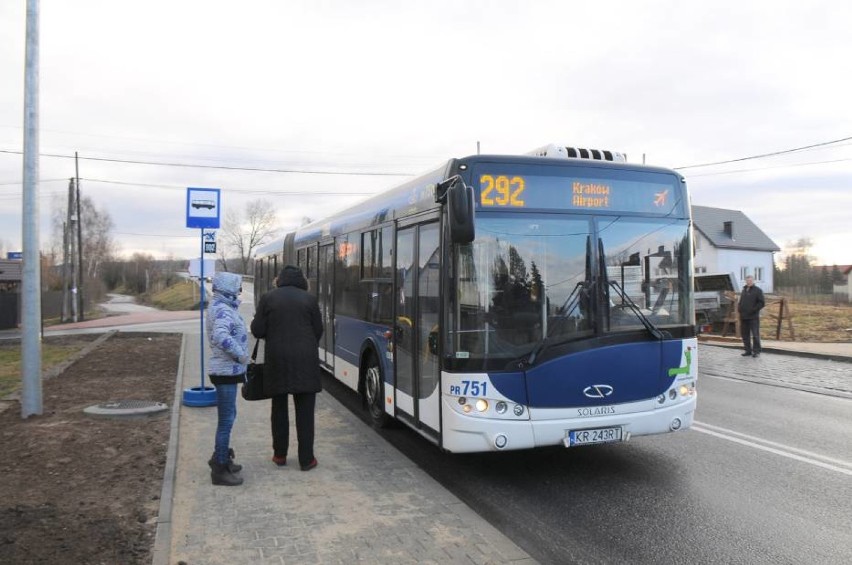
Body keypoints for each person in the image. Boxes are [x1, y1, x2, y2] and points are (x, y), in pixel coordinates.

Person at [251, 265, 323, 471]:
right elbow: (318, 330)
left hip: (277, 360)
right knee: (306, 413)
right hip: (306, 361)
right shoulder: (310, 299)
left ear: (279, 279)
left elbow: (257, 329)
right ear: (302, 280)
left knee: (279, 409)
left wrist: (274, 336)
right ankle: (306, 459)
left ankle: (280, 455)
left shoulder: (268, 298)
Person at [206, 272, 250, 486]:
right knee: (226, 422)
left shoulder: (221, 306)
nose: (239, 291)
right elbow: (221, 336)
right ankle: (220, 469)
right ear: (229, 289)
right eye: (237, 287)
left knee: (228, 417)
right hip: (225, 372)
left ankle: (220, 458)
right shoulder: (223, 310)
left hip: (226, 371)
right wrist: (241, 355)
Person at [738, 275, 765, 358]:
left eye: (750, 280)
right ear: (746, 281)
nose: (749, 282)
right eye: (747, 281)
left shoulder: (758, 291)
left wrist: (753, 310)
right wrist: (739, 309)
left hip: (753, 317)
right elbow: (741, 301)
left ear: (753, 281)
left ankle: (756, 351)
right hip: (744, 316)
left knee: (755, 334)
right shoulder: (744, 290)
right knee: (745, 334)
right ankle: (748, 350)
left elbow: (761, 303)